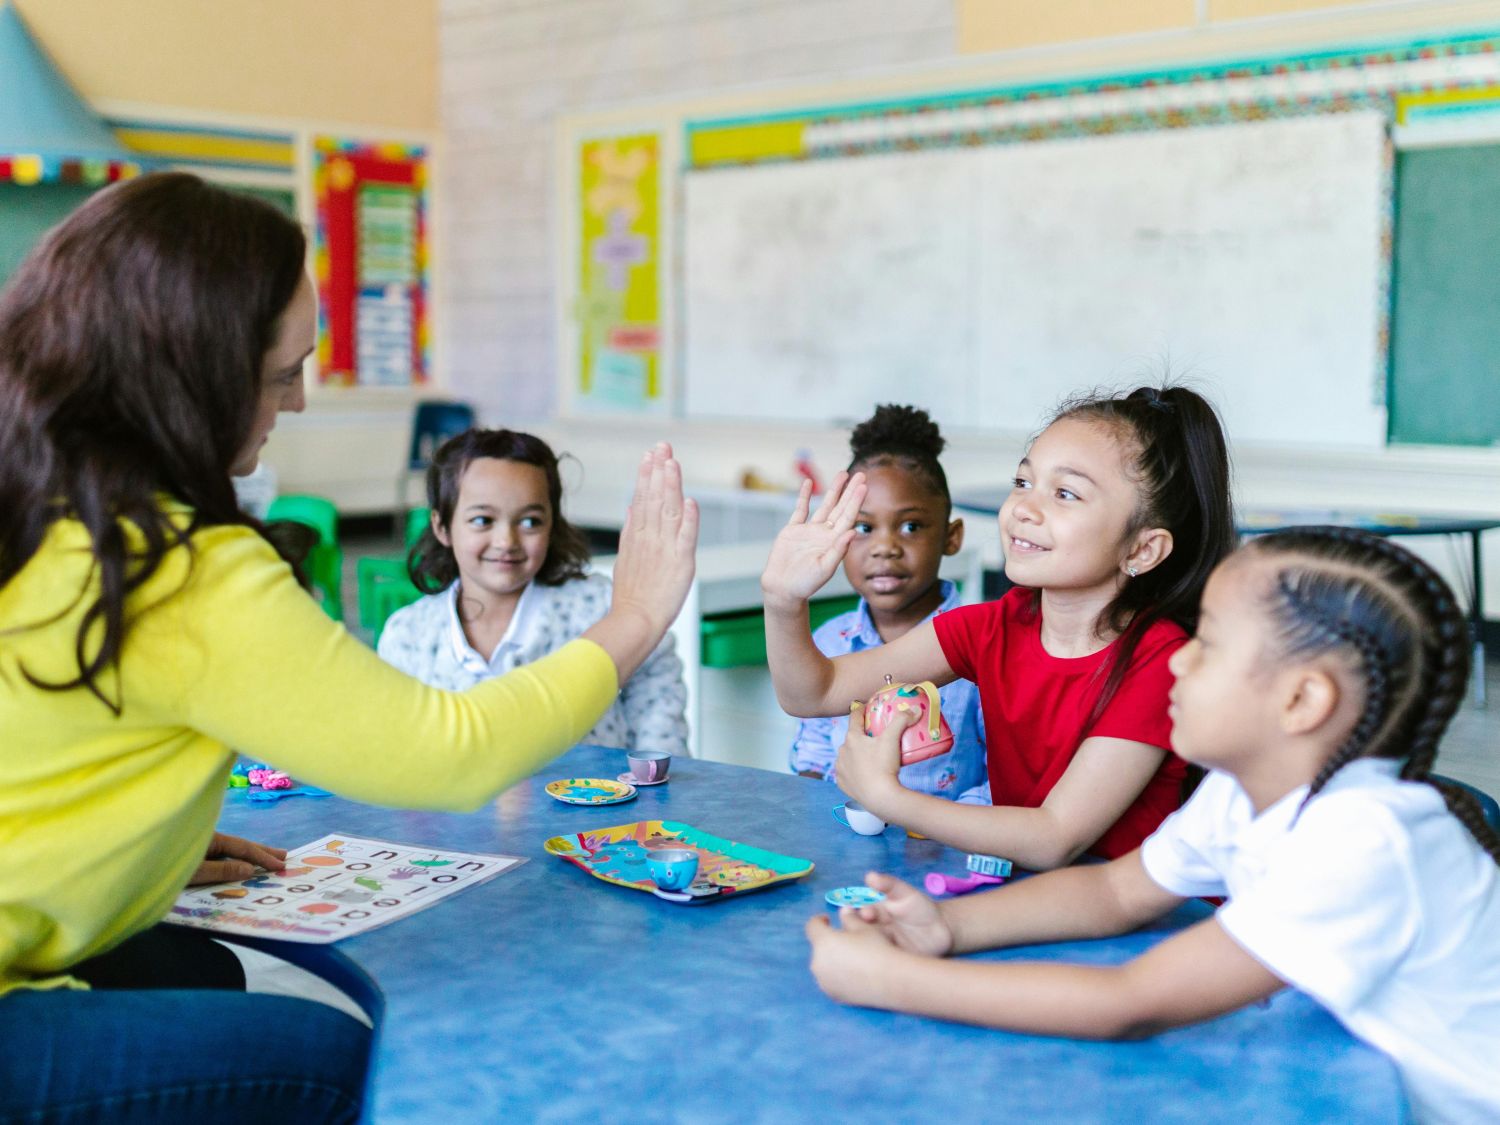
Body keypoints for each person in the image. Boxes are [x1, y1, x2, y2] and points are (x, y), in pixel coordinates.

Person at [0, 172, 697, 1122]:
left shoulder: (37, 505)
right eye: (283, 373)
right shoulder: (174, 565)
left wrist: (130, 844)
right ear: (192, 376)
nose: (295, 403)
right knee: (326, 1054)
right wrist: (636, 614)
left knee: (198, 971)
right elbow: (452, 753)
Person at [805, 527, 1500, 1124]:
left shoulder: (1363, 838)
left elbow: (1129, 1002)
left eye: (1210, 644)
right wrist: (949, 927)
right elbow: (1115, 892)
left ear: (1301, 699)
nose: (1178, 656)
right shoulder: (1241, 795)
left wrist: (890, 981)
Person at [762, 386, 1235, 869]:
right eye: (1023, 482)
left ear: (1141, 550)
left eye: (1065, 493)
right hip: (1022, 894)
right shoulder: (993, 626)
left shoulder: (1160, 661)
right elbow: (814, 694)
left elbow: (1054, 836)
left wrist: (888, 798)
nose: (1024, 509)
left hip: (1129, 926)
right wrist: (783, 600)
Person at [378, 428, 688, 755]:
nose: (506, 541)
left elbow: (656, 684)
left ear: (552, 524)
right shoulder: (408, 635)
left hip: (596, 804)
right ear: (442, 527)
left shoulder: (602, 607)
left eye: (530, 523)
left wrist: (656, 780)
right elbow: (397, 748)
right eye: (482, 520)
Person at [788, 404, 986, 801]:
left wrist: (945, 832)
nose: (884, 548)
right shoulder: (829, 641)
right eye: (863, 527)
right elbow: (812, 758)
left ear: (952, 537)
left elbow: (1005, 782)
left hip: (945, 848)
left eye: (910, 526)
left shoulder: (983, 648)